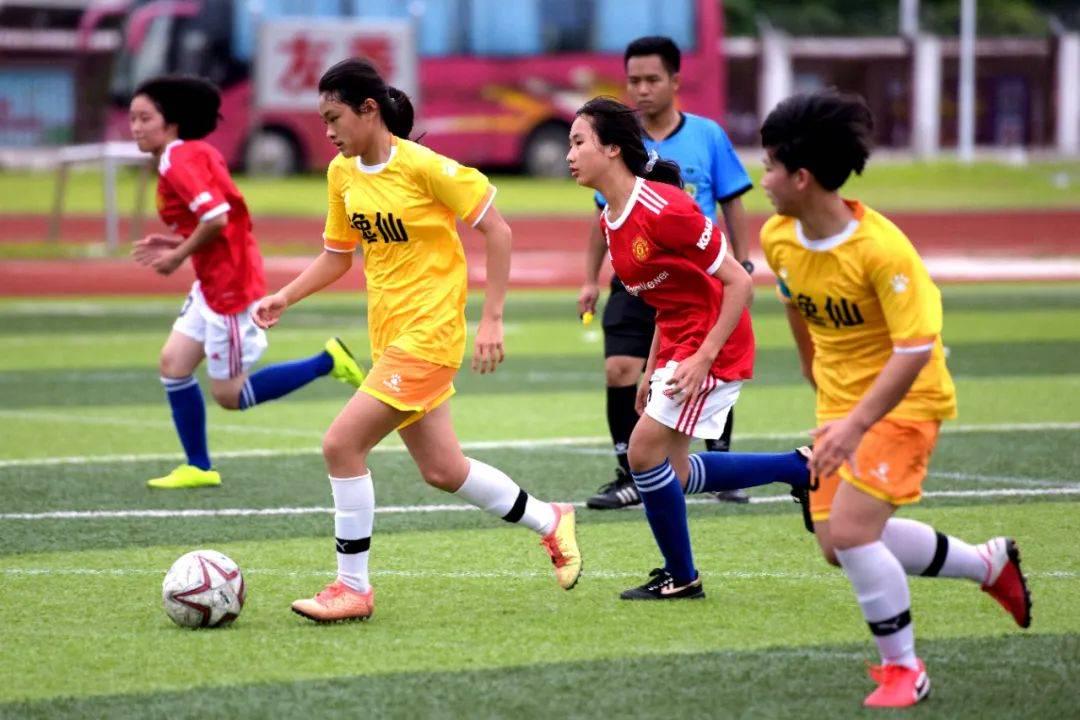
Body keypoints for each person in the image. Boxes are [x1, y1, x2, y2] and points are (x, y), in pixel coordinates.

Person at [253, 58, 582, 623]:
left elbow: (498, 230)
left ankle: (351, 587)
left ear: (369, 110)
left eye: (335, 118)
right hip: (390, 339)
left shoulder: (427, 167)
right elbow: (338, 257)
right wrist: (286, 295)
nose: (327, 132)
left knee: (340, 445)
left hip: (430, 337)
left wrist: (493, 319)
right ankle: (551, 520)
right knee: (443, 470)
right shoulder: (342, 174)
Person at [759, 90, 1032, 708]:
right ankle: (988, 565)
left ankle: (905, 668)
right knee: (836, 545)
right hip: (842, 403)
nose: (763, 177)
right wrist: (816, 378)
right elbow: (793, 303)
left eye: (771, 165)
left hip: (905, 401)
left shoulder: (884, 251)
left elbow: (913, 348)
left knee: (855, 533)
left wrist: (855, 423)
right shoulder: (780, 236)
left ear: (801, 178)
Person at [568, 96, 810, 601]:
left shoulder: (666, 209)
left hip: (714, 341)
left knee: (642, 452)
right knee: (670, 472)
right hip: (680, 339)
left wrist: (702, 359)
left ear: (612, 149)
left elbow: (738, 284)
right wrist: (651, 372)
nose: (568, 154)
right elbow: (666, 300)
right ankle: (798, 468)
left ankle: (682, 576)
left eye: (578, 142)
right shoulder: (610, 222)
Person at [129, 75, 366, 490]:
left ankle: (326, 361)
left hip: (230, 288)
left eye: (144, 118)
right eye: (133, 118)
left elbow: (217, 217)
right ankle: (198, 467)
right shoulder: (194, 151)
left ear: (171, 122)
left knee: (230, 395)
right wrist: (181, 241)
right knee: (174, 363)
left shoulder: (177, 160)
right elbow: (223, 217)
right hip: (213, 279)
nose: (136, 127)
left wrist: (177, 255)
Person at [579, 36, 755, 510]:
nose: (641, 89)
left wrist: (742, 258)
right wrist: (588, 280)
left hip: (700, 281)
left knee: (656, 451)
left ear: (675, 81)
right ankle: (634, 483)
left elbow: (731, 201)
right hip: (646, 280)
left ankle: (728, 466)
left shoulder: (702, 142)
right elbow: (605, 220)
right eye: (633, 80)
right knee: (625, 377)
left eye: (652, 79)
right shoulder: (619, 163)